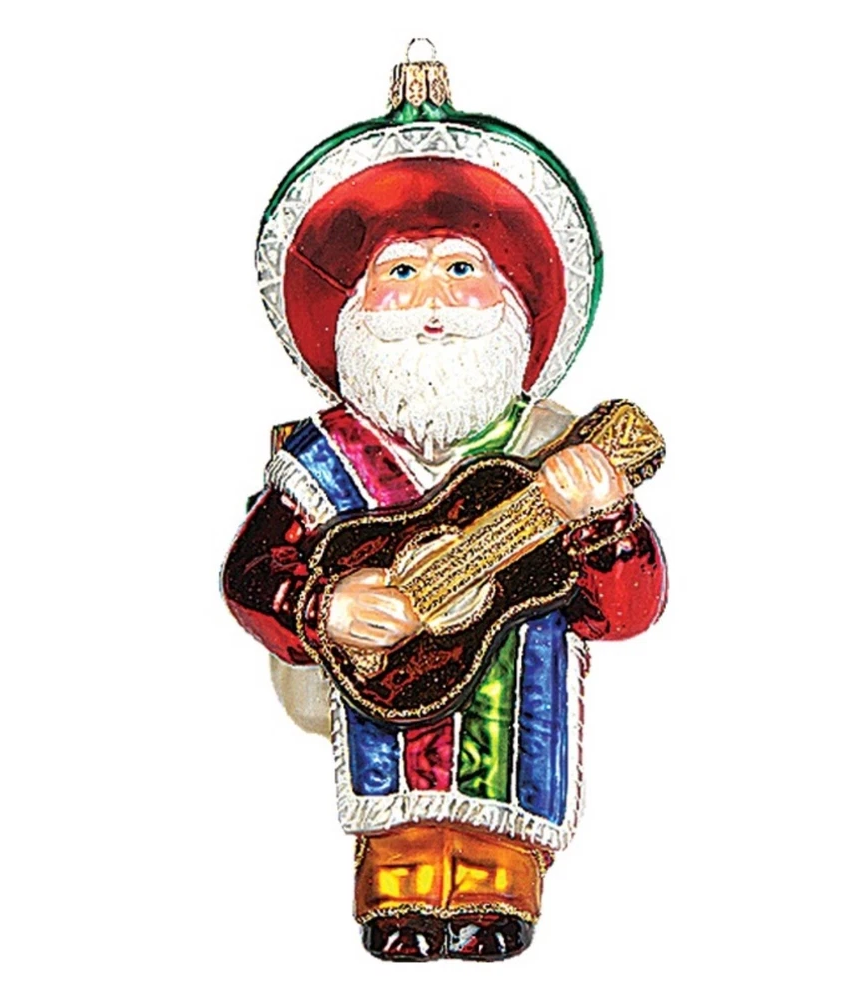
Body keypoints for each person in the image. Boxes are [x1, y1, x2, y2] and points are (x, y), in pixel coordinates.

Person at [223, 48, 668, 961]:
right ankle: (396, 897)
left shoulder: (553, 449)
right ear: (353, 310)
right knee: (396, 835)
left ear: (512, 305)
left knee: (499, 825)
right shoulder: (323, 457)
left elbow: (626, 611)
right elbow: (251, 575)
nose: (432, 301)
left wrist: (604, 520)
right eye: (401, 275)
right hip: (382, 721)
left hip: (516, 724)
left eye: (461, 269)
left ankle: (496, 896)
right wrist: (325, 603)